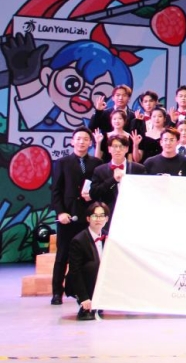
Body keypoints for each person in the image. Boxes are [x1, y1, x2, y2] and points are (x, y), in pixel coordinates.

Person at [50, 128, 102, 306]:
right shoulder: (62, 162)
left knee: (87, 257)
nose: (81, 142)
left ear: (90, 143)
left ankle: (83, 292)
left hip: (88, 217)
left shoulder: (96, 163)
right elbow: (56, 190)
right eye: (78, 139)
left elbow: (99, 189)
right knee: (62, 256)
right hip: (68, 217)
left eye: (85, 139)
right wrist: (60, 212)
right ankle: (57, 292)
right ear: (72, 141)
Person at [66, 202, 110, 321]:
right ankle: (86, 304)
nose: (98, 219)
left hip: (98, 280)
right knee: (92, 265)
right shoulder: (79, 240)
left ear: (106, 219)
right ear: (88, 218)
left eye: (102, 215)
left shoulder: (108, 237)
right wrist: (84, 297)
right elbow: (75, 271)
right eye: (94, 215)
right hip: (81, 282)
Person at [89, 135, 146, 218]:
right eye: (115, 146)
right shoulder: (100, 170)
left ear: (127, 149)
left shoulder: (138, 169)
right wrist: (113, 180)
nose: (118, 150)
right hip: (109, 214)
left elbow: (144, 191)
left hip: (133, 213)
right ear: (109, 149)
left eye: (121, 146)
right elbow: (93, 194)